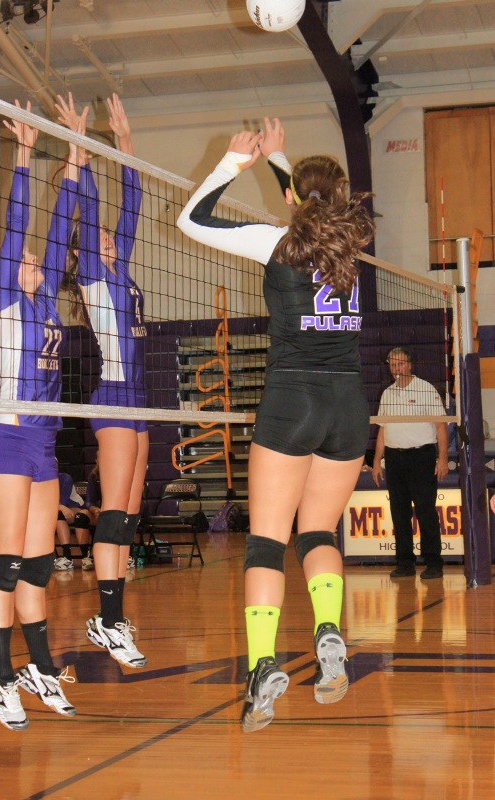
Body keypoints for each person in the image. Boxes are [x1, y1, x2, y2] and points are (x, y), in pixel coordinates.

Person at [177, 117, 374, 732]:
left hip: (294, 400)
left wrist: (234, 163)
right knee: (317, 532)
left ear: (292, 199)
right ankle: (329, 631)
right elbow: (313, 204)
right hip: (349, 407)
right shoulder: (352, 247)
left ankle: (263, 668)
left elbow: (192, 221)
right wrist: (281, 158)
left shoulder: (277, 243)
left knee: (266, 541)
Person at [0, 99, 85, 731]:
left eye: (35, 262)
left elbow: (55, 229)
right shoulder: (4, 301)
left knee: (39, 566)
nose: (31, 262)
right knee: (8, 561)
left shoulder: (46, 303)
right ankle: (1, 675)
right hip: (9, 441)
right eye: (21, 260)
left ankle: (40, 666)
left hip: (45, 445)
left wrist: (74, 162)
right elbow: (18, 226)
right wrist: (22, 155)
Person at [56, 93, 148, 669]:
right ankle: (108, 621)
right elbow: (90, 212)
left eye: (111, 239)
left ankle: (114, 616)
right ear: (84, 253)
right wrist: (81, 149)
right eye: (98, 240)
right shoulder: (93, 274)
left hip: (141, 400)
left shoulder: (125, 268)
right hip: (113, 396)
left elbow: (131, 202)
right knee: (113, 509)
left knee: (130, 511)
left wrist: (125, 142)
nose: (108, 239)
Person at [371, 346, 449, 579]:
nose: (396, 368)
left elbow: (441, 427)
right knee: (399, 512)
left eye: (400, 363)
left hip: (421, 457)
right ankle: (405, 563)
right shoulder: (387, 394)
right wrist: (376, 462)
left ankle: (433, 563)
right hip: (394, 459)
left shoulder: (426, 389)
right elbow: (382, 431)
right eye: (393, 364)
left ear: (409, 364)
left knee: (425, 511)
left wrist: (443, 458)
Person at [54, 471, 93, 571]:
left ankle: (84, 557)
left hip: (77, 507)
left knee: (61, 515)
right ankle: (63, 557)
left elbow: (62, 502)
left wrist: (60, 507)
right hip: (56, 510)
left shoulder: (65, 478)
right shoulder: (40, 480)